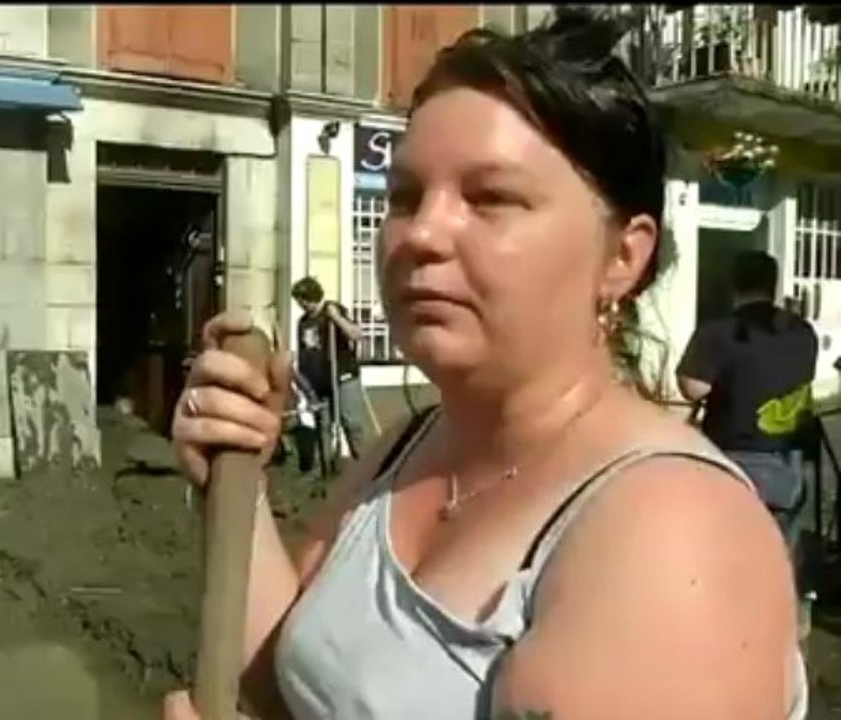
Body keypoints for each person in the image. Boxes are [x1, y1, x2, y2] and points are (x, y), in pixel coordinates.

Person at [166, 9, 805, 720]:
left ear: (623, 255)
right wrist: (238, 479)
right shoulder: (406, 448)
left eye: (491, 197)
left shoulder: (672, 537)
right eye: (404, 197)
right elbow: (282, 684)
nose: (420, 234)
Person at [677, 250, 818, 549]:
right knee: (780, 553)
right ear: (773, 286)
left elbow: (692, 388)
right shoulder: (803, 333)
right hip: (788, 465)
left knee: (724, 552)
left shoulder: (717, 333)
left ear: (733, 286)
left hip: (733, 463)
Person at [290, 276, 375, 461]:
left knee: (351, 422)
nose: (300, 305)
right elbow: (305, 353)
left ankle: (365, 466)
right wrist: (306, 386)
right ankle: (327, 472)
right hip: (319, 384)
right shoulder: (303, 322)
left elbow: (356, 335)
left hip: (343, 377)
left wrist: (336, 318)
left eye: (302, 300)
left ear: (310, 297)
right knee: (324, 427)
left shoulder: (332, 310)